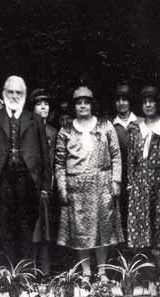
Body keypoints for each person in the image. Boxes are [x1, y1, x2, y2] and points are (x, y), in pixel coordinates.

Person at [0, 75, 51, 266]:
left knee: (26, 228)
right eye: (10, 92)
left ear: (24, 95)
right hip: (0, 181)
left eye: (19, 92)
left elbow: (44, 156)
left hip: (28, 181)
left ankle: (25, 275)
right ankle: (6, 275)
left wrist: (45, 186)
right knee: (3, 229)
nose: (14, 96)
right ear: (4, 93)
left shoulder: (34, 120)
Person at [55, 86, 123, 280]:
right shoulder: (65, 130)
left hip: (102, 185)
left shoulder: (105, 126)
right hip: (76, 187)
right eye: (79, 103)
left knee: (103, 229)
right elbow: (59, 162)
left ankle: (101, 271)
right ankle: (85, 271)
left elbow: (116, 155)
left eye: (86, 102)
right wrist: (62, 187)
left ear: (92, 104)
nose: (83, 106)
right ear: (74, 106)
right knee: (80, 231)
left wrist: (115, 180)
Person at [125, 86, 160, 250]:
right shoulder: (135, 128)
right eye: (145, 102)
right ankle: (142, 260)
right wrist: (131, 181)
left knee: (158, 218)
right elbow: (131, 159)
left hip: (159, 179)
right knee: (141, 221)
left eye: (152, 101)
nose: (148, 105)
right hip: (140, 182)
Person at [28, 88, 57, 274]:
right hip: (31, 185)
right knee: (32, 228)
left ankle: (45, 270)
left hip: (48, 186)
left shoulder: (53, 132)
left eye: (46, 104)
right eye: (39, 104)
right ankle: (29, 268)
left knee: (46, 229)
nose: (43, 107)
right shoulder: (28, 128)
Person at [112, 82, 143, 237]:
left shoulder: (141, 122)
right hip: (118, 175)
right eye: (118, 100)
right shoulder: (110, 126)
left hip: (139, 175)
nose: (121, 103)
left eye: (125, 99)